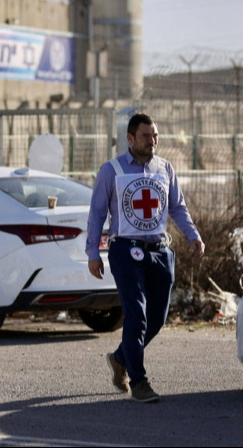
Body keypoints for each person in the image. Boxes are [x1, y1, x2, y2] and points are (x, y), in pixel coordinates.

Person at [85, 113, 205, 403]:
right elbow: (97, 214)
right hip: (125, 250)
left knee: (157, 319)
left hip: (160, 251)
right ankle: (138, 381)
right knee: (136, 316)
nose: (152, 141)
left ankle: (119, 358)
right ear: (130, 138)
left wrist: (194, 235)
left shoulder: (164, 169)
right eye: (145, 136)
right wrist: (93, 253)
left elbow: (177, 207)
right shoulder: (111, 170)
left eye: (155, 136)